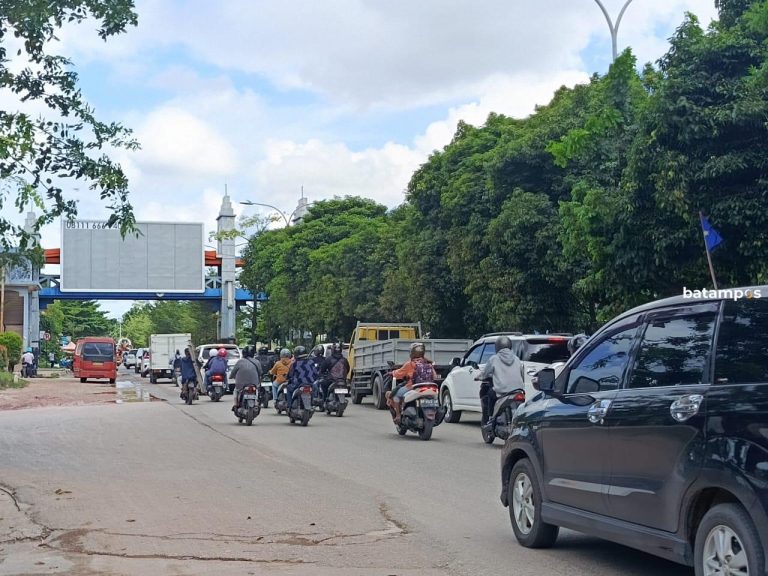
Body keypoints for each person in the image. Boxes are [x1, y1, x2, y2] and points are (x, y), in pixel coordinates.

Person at [475, 335, 525, 427]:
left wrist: (478, 377)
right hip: (518, 390)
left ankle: (490, 418)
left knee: (490, 394)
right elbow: (521, 374)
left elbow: (485, 373)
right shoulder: (517, 359)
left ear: (497, 347)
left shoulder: (494, 359)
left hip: (502, 391)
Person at [388, 342, 437, 424]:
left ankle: (398, 416)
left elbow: (398, 374)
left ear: (411, 352)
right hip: (429, 386)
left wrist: (391, 373)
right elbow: (435, 377)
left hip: (412, 387)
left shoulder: (409, 364)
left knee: (396, 397)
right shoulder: (428, 363)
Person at [229, 346, 263, 411]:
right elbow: (260, 372)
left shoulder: (240, 362)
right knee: (256, 391)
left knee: (236, 390)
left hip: (241, 385)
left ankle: (236, 404)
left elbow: (233, 372)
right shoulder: (257, 362)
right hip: (254, 384)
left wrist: (231, 377)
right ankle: (256, 403)